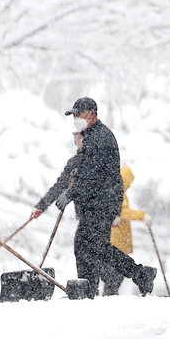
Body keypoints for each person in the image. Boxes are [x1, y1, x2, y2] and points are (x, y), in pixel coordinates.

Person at [32, 97, 156, 296]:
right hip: (95, 203)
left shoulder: (101, 138)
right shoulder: (91, 137)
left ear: (92, 113)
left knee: (88, 247)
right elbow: (76, 174)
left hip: (101, 203)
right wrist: (44, 204)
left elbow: (91, 176)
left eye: (79, 114)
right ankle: (123, 279)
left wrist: (69, 194)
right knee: (93, 248)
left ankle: (96, 287)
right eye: (74, 116)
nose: (76, 119)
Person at [101, 166, 149, 295]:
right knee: (114, 275)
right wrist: (142, 216)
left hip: (117, 240)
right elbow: (122, 211)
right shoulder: (117, 193)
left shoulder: (113, 191)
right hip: (115, 241)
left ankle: (109, 297)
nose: (129, 184)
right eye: (129, 181)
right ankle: (109, 299)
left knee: (114, 276)